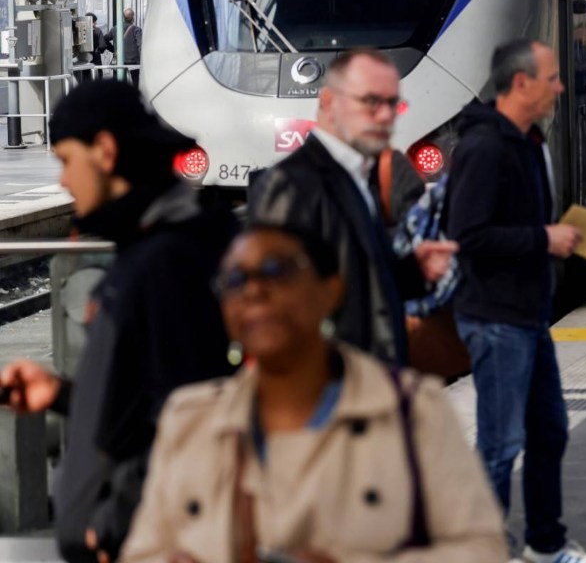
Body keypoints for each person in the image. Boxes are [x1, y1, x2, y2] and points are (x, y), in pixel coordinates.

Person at [119, 225, 509, 563]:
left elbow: (483, 548)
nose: (254, 290)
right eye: (235, 280)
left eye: (277, 270)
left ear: (330, 290)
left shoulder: (411, 409)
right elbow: (142, 550)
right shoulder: (191, 418)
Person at [0, 81, 236, 563]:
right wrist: (65, 394)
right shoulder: (160, 243)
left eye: (67, 160)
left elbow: (197, 421)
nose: (63, 181)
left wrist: (115, 523)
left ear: (105, 151)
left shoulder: (170, 262)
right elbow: (149, 397)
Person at [447, 39, 586, 563]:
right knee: (499, 447)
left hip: (529, 313)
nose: (561, 88)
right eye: (552, 78)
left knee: (549, 432)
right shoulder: (484, 148)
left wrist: (575, 236)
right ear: (521, 84)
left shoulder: (527, 140)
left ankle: (546, 544)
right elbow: (468, 235)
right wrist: (546, 239)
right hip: (496, 316)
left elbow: (520, 218)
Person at [248, 48, 449, 365]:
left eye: (391, 103)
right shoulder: (291, 184)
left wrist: (416, 271)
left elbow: (356, 282)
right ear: (328, 103)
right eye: (370, 102)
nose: (385, 116)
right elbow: (277, 309)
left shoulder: (358, 175)